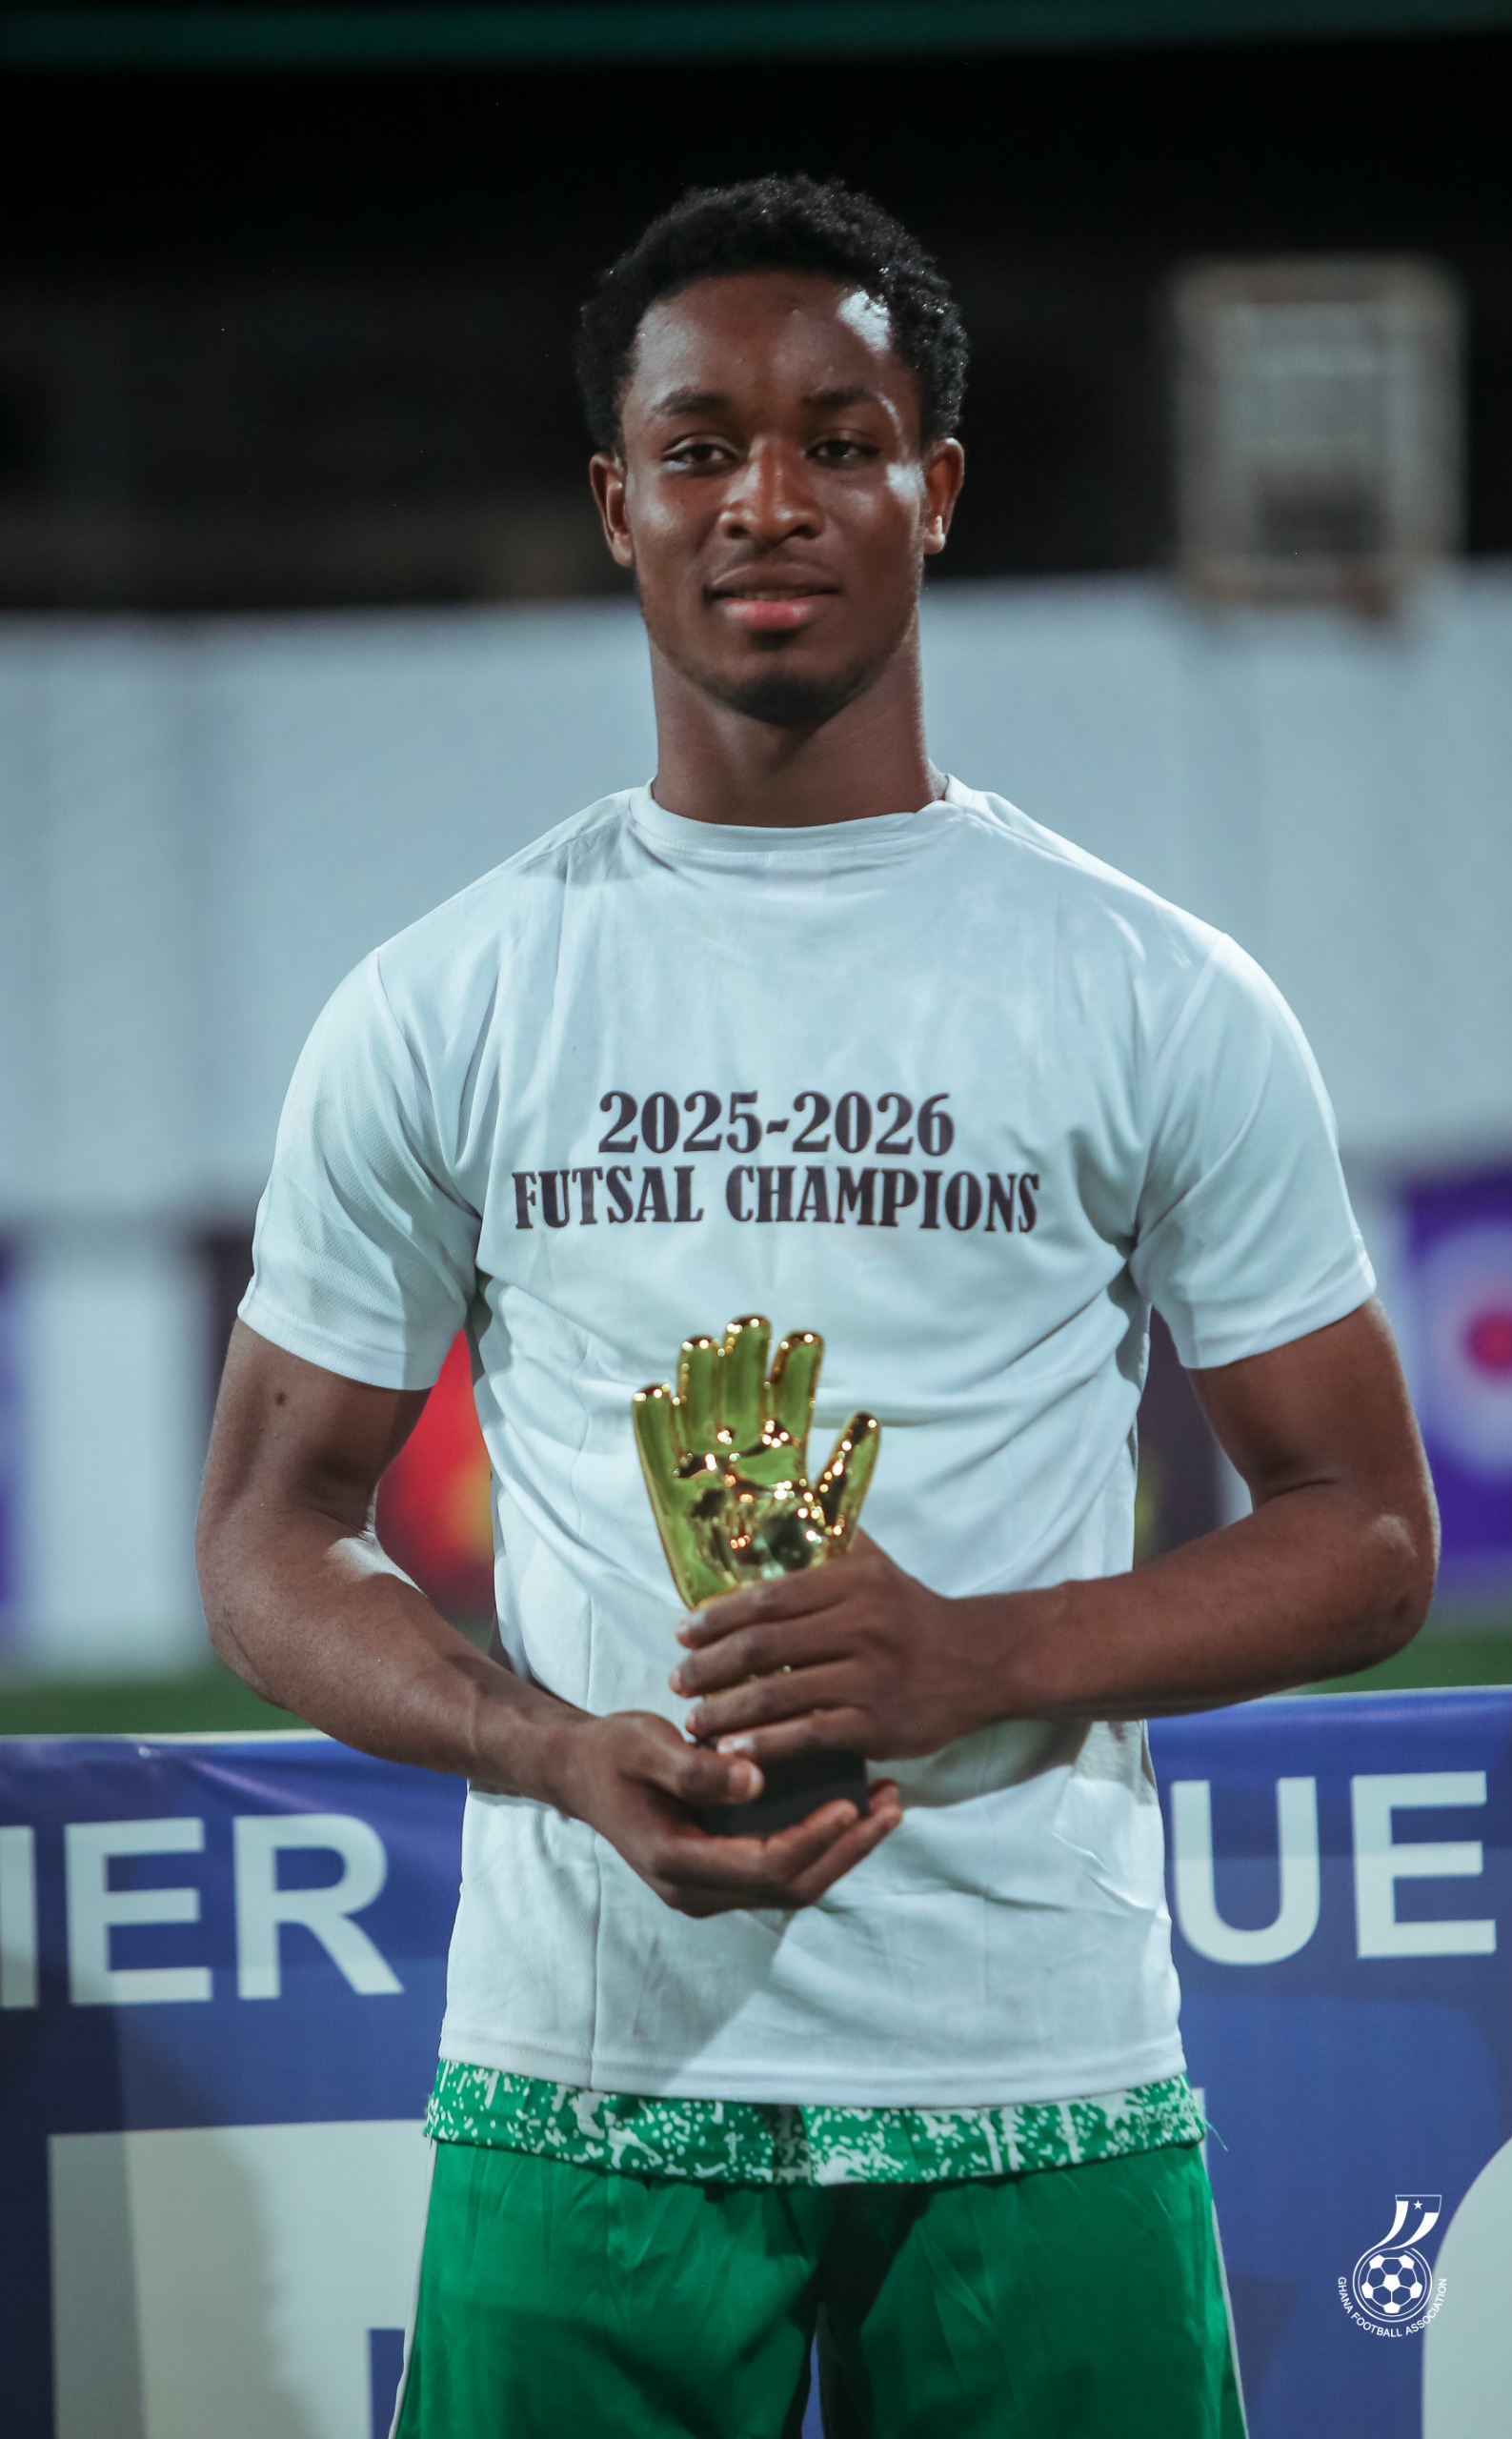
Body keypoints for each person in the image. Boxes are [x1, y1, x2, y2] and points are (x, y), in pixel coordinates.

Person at [196, 174, 1437, 2439]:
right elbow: (270, 1531)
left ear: (933, 488)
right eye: (699, 447)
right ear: (617, 503)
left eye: (838, 441)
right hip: (584, 2087)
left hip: (1037, 2080)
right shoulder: (448, 998)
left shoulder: (1149, 987)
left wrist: (990, 1654)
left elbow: (1364, 1529)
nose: (766, 499)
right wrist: (546, 1750)